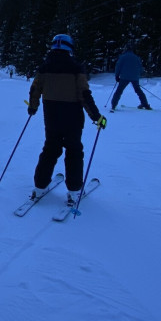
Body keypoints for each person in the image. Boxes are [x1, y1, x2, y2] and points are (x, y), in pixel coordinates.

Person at [28, 33, 107, 206]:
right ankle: (74, 190)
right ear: (70, 48)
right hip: (72, 116)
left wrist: (33, 107)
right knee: (74, 151)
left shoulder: (44, 67)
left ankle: (39, 187)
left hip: (51, 115)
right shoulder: (76, 67)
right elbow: (85, 95)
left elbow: (35, 89)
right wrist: (97, 117)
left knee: (50, 148)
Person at [110, 45, 151, 111]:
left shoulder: (123, 57)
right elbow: (141, 68)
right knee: (138, 91)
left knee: (119, 91)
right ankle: (145, 104)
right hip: (135, 78)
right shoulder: (136, 57)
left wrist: (117, 76)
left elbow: (118, 66)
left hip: (124, 77)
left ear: (125, 50)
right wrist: (137, 75)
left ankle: (113, 105)